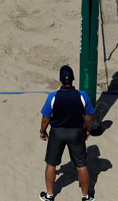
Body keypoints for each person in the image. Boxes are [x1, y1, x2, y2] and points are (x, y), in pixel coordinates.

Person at [38, 64, 95, 201]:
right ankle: (85, 196)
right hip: (76, 132)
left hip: (57, 132)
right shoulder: (82, 96)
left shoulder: (53, 96)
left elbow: (46, 118)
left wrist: (42, 131)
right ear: (73, 79)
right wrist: (86, 130)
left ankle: (50, 195)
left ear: (60, 80)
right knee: (81, 165)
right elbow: (88, 117)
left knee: (51, 163)